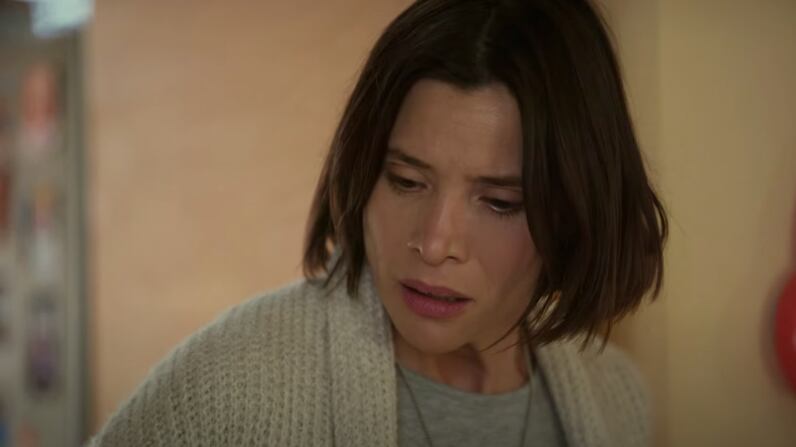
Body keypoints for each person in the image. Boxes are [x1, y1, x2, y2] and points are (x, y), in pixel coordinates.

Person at [89, 0, 668, 445]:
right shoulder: (231, 387)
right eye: (406, 181)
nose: (435, 243)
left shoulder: (617, 398)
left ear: (572, 211)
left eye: (499, 203)